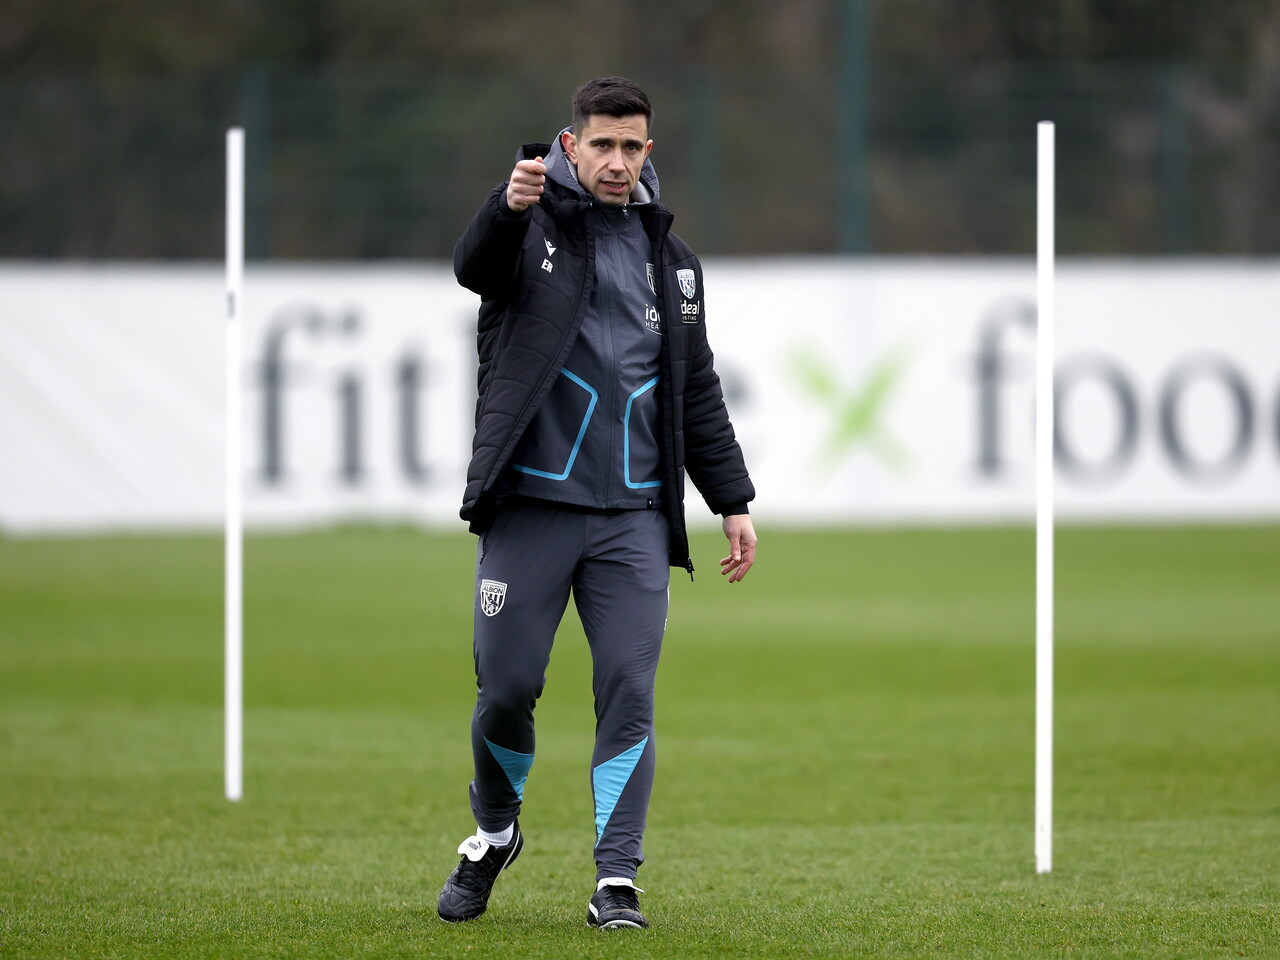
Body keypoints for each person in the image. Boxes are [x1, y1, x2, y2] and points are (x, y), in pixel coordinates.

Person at [438, 76, 757, 930]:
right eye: (602, 145)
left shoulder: (675, 264)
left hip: (633, 521)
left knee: (629, 691)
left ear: (649, 152)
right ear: (569, 147)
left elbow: (696, 390)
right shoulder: (529, 228)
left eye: (633, 147)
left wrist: (731, 499)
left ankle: (617, 880)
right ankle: (495, 831)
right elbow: (475, 268)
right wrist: (507, 209)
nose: (617, 162)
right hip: (531, 509)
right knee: (505, 689)